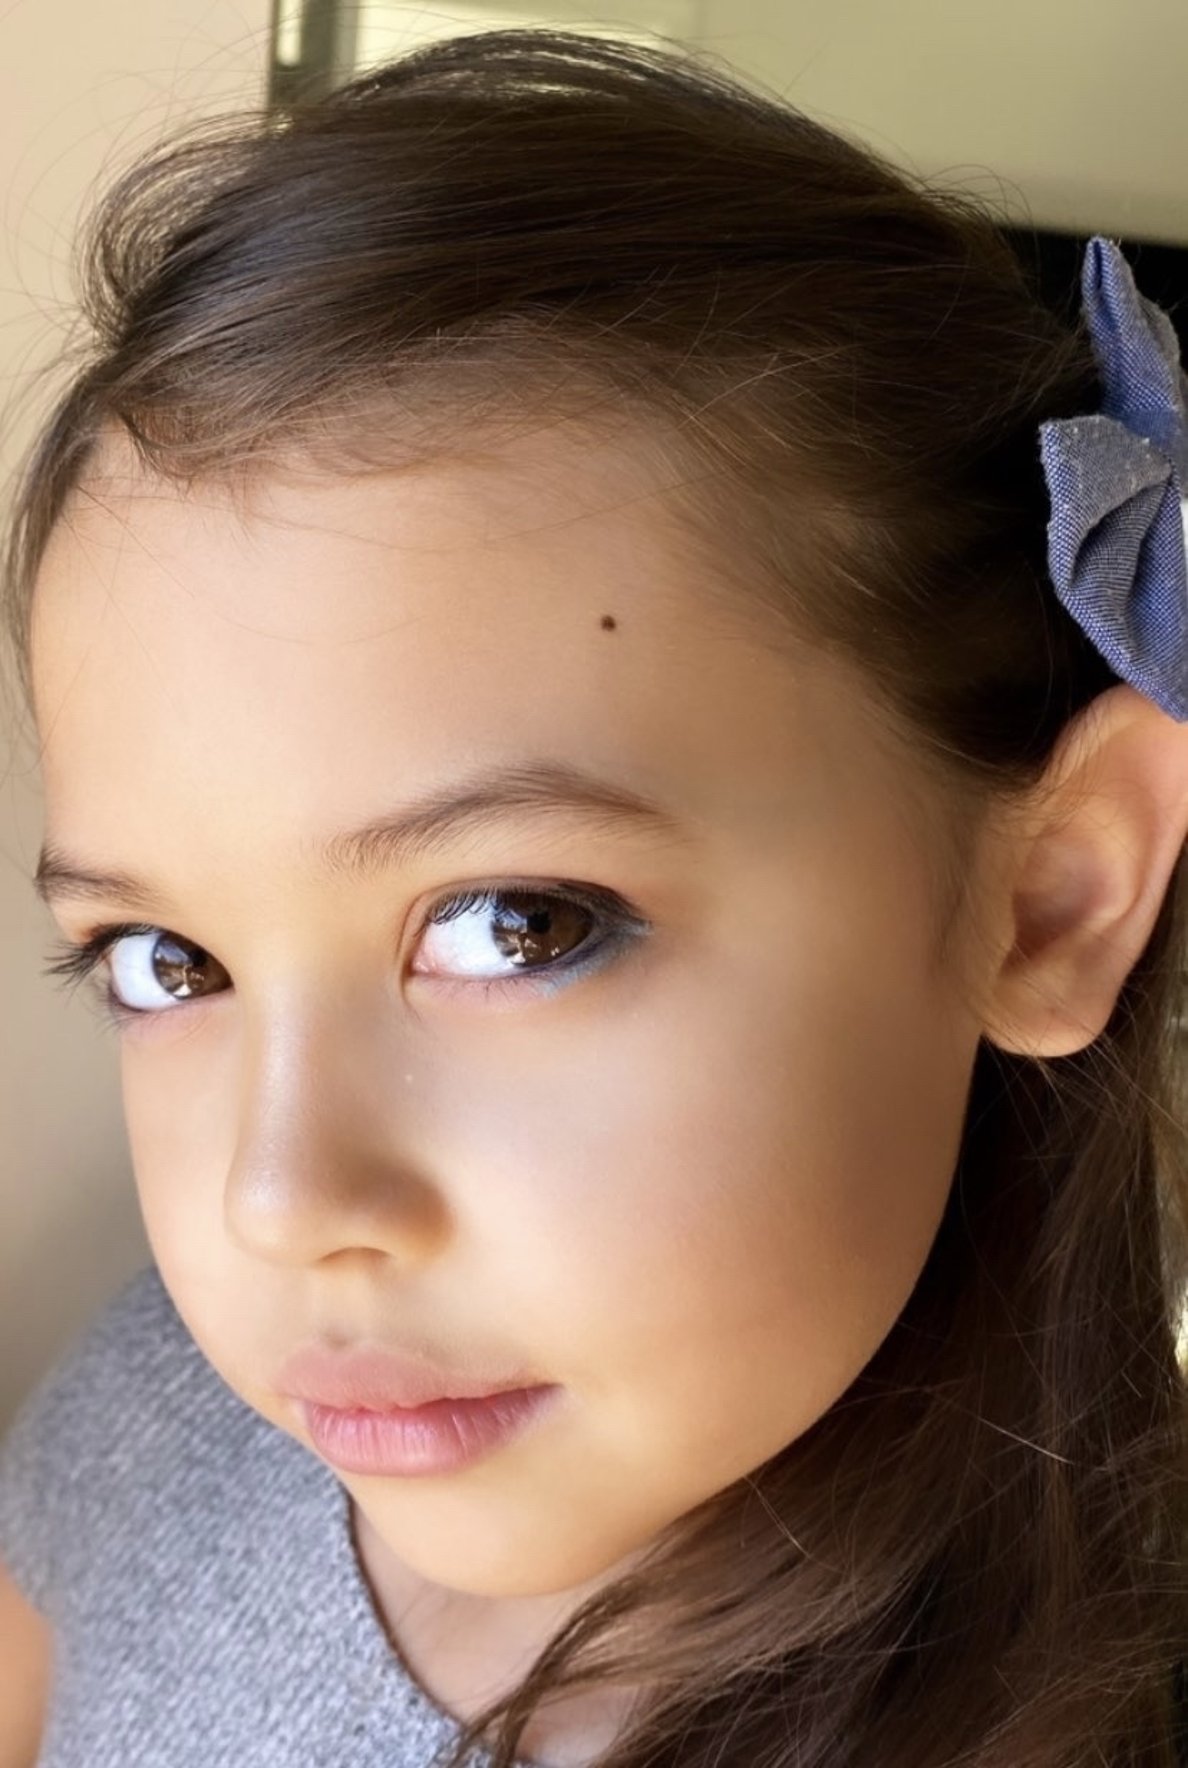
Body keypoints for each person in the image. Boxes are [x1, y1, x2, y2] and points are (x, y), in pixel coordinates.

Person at [0, 26, 1185, 1768]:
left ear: (1051, 896)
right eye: (166, 961)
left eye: (515, 924)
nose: (279, 1202)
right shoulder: (152, 1409)